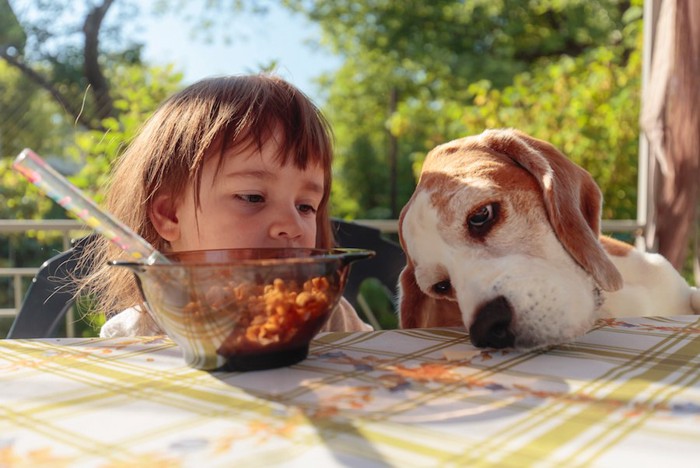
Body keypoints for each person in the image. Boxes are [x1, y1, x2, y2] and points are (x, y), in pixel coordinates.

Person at [76, 74, 372, 336]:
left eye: (306, 206)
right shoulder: (137, 336)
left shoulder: (330, 320)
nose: (292, 226)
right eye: (253, 197)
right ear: (169, 215)